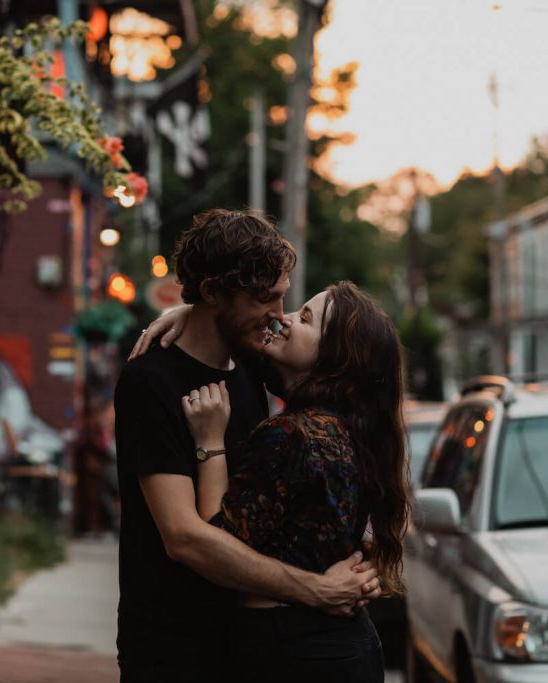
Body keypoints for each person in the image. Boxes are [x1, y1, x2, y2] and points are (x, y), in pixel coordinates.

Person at [114, 210, 381, 683]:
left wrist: (183, 310)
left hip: (251, 646)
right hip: (175, 650)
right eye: (265, 299)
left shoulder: (251, 362)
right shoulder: (150, 382)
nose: (279, 315)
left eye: (282, 298)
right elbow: (185, 538)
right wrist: (316, 590)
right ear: (214, 293)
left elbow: (341, 382)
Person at [181, 281, 410, 682]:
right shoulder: (348, 430)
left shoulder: (291, 436)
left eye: (305, 319)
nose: (282, 319)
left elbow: (218, 537)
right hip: (339, 646)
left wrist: (209, 441)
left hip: (295, 651)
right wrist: (182, 315)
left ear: (335, 357)